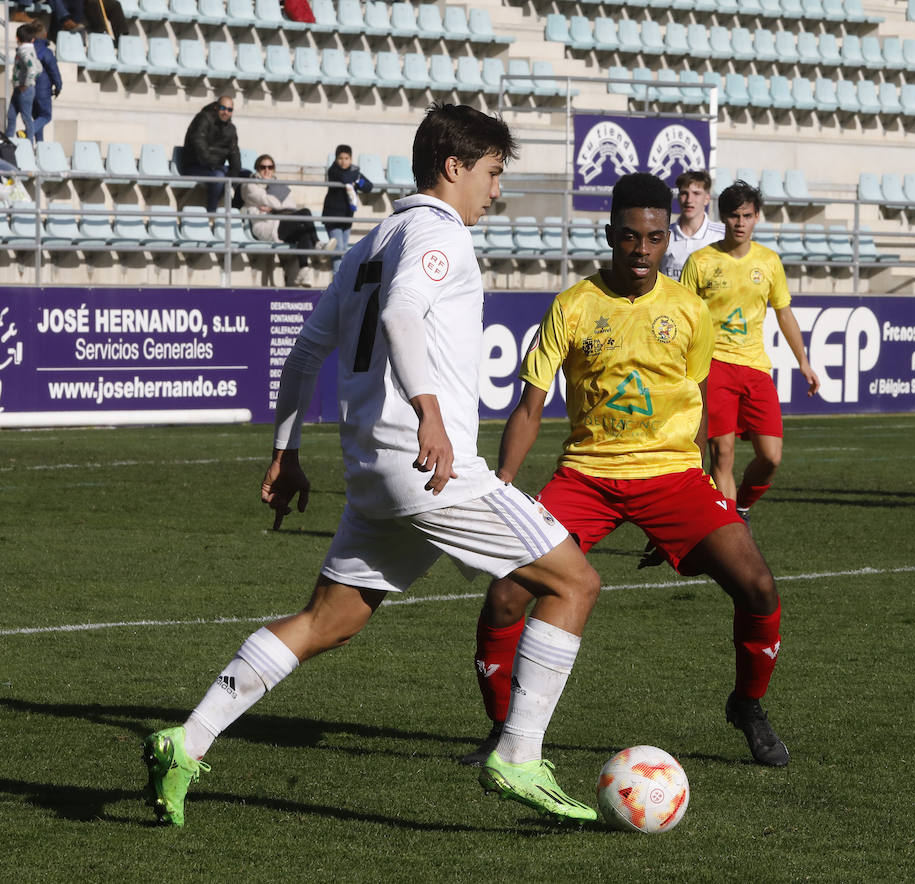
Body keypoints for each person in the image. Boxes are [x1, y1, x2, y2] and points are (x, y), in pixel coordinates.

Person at [140, 103, 602, 828]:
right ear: (454, 167)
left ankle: (186, 739)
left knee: (327, 621)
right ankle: (517, 753)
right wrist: (429, 411)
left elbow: (303, 352)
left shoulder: (372, 240)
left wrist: (285, 451)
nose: (495, 190)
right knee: (574, 581)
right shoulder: (435, 231)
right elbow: (401, 315)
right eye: (490, 173)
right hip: (430, 466)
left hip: (375, 469)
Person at [462, 172, 791, 768]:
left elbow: (692, 404)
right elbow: (530, 408)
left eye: (656, 238)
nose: (643, 250)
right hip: (587, 476)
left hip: (673, 479)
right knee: (507, 593)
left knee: (758, 586)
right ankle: (502, 729)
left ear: (669, 239)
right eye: (631, 238)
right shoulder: (573, 306)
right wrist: (504, 486)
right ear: (611, 234)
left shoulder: (690, 310)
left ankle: (747, 703)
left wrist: (688, 496)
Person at [678, 179, 820, 521]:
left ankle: (740, 506)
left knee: (771, 457)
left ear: (757, 217)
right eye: (733, 216)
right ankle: (730, 528)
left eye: (746, 215)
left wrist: (804, 361)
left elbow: (783, 312)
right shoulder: (700, 262)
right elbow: (682, 315)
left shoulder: (769, 262)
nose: (739, 223)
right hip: (715, 367)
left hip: (756, 368)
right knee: (722, 456)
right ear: (722, 218)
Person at [241, 153, 323, 287]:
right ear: (257, 168)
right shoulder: (251, 185)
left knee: (304, 229)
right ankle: (317, 243)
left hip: (280, 221)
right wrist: (277, 206)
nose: (267, 170)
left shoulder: (278, 185)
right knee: (305, 213)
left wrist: (273, 209)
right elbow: (276, 203)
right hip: (265, 225)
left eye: (270, 167)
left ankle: (304, 270)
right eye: (263, 167)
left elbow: (291, 206)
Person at [181, 95, 242, 212]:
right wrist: (213, 164)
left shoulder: (231, 129)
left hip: (216, 167)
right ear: (216, 107)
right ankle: (211, 214)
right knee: (219, 177)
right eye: (223, 108)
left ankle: (237, 212)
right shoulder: (203, 119)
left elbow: (234, 153)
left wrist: (234, 172)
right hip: (195, 165)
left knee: (246, 176)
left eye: (230, 110)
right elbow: (199, 144)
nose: (226, 112)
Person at [660, 169, 724, 281]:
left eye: (696, 193)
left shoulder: (722, 235)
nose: (689, 200)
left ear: (707, 199)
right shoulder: (663, 235)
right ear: (679, 197)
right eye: (684, 193)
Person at [322, 144, 372, 274]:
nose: (343, 161)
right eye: (340, 158)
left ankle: (339, 283)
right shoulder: (333, 170)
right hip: (332, 216)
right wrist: (356, 178)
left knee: (343, 249)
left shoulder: (354, 172)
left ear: (351, 159)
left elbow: (369, 186)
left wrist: (360, 182)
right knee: (338, 249)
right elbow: (345, 178)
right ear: (336, 159)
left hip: (347, 216)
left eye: (346, 158)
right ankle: (337, 284)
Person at [5, 24, 38, 142]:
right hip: (19, 88)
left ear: (17, 38)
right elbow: (39, 68)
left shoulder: (25, 51)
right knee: (11, 115)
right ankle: (8, 141)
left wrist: (26, 83)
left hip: (24, 90)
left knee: (26, 117)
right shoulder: (29, 50)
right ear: (32, 39)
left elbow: (33, 68)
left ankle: (30, 141)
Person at [28, 21, 60, 143]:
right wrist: (58, 87)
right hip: (43, 91)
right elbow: (54, 71)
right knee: (46, 116)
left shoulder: (28, 50)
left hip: (29, 89)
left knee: (36, 117)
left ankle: (39, 144)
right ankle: (26, 132)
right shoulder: (47, 52)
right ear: (45, 35)